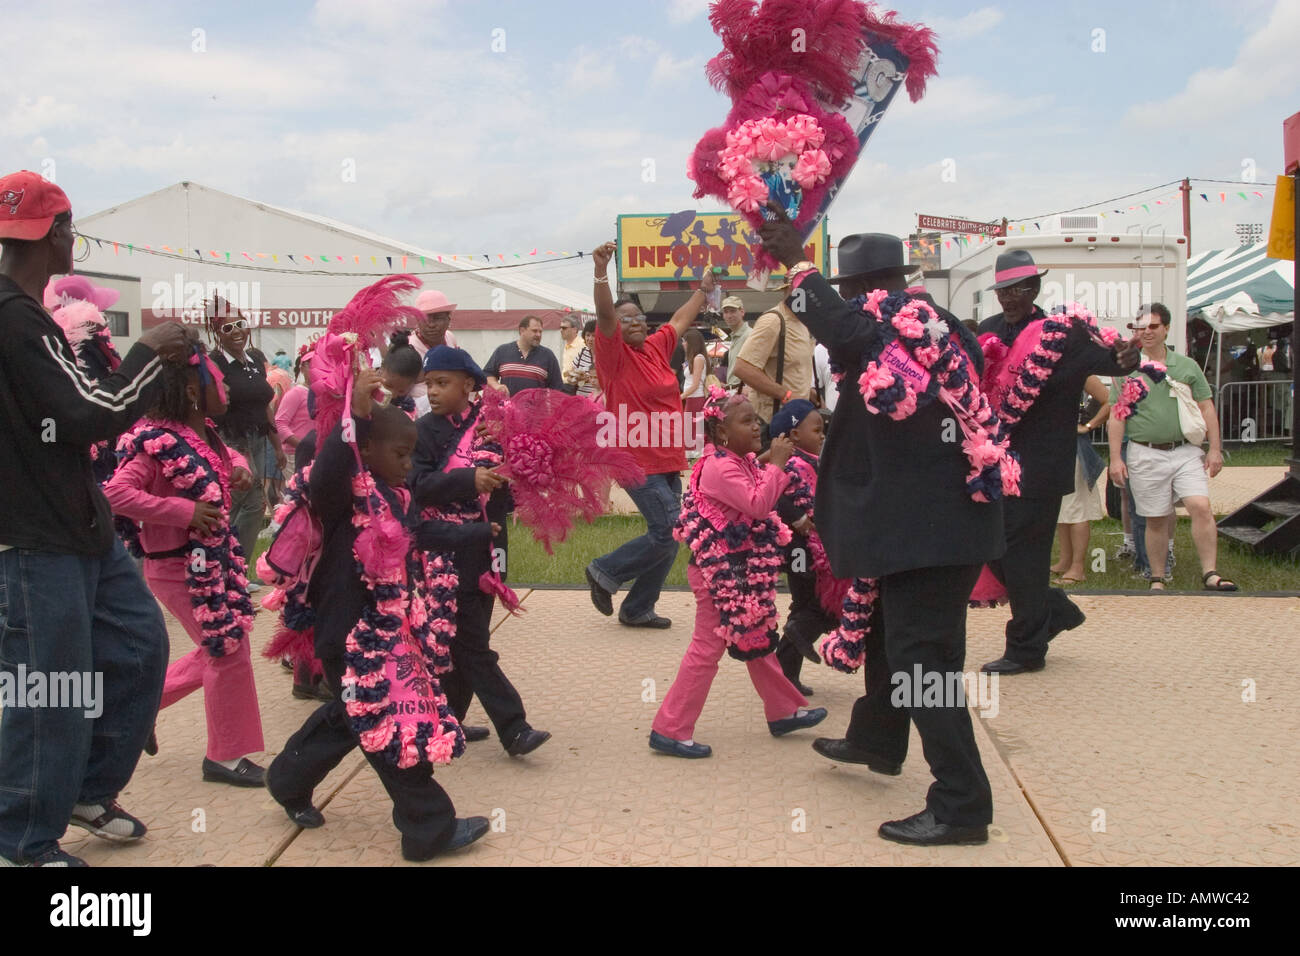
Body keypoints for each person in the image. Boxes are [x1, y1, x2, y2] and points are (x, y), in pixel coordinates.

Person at [759, 218, 1004, 846]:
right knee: (895, 640)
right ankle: (878, 740)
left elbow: (843, 329)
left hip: (930, 534)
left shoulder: (893, 329)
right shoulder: (943, 332)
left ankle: (961, 805)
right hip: (930, 529)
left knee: (928, 665)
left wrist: (797, 263)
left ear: (867, 288)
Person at [0, 169, 189, 866]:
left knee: (139, 650)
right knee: (47, 690)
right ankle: (23, 838)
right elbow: (90, 414)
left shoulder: (28, 320)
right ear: (59, 233)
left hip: (81, 531)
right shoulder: (14, 321)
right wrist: (149, 353)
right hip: (32, 542)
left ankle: (81, 789)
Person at [266, 369, 490, 860]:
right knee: (387, 726)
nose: (408, 464)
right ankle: (428, 829)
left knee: (349, 717)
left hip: (385, 630)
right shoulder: (340, 497)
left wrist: (479, 536)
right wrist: (358, 414)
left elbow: (417, 537)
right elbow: (327, 470)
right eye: (400, 454)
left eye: (412, 454)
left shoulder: (394, 494)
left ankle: (286, 777)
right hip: (346, 637)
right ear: (363, 451)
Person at [103, 338, 266, 787]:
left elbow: (223, 456)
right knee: (227, 651)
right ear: (193, 390)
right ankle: (225, 757)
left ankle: (137, 707)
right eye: (217, 378)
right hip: (178, 567)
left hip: (211, 562)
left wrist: (239, 467)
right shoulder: (154, 440)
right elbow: (115, 493)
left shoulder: (201, 433)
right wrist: (184, 512)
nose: (227, 386)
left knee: (221, 648)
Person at [976, 250, 1138, 675]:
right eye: (1004, 290)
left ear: (1035, 289)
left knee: (1024, 558)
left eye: (1019, 289)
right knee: (995, 552)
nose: (1010, 297)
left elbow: (1114, 361)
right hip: (995, 467)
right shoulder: (990, 331)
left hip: (1042, 468)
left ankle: (1026, 649)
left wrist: (1128, 357)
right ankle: (1056, 610)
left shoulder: (1061, 334)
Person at [649, 389, 827, 757]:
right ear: (722, 434)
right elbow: (759, 504)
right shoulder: (719, 466)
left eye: (756, 418)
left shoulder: (732, 458)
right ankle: (670, 728)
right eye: (746, 421)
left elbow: (752, 474)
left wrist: (765, 460)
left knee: (757, 638)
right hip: (719, 576)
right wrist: (777, 464)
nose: (757, 425)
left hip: (738, 569)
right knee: (707, 647)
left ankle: (784, 711)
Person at [409, 345, 551, 756]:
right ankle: (514, 727)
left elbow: (520, 471)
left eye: (442, 383)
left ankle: (446, 721)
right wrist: (470, 479)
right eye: (429, 384)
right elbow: (417, 485)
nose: (432, 391)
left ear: (468, 385)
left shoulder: (492, 424)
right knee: (472, 642)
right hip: (445, 552)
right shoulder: (423, 432)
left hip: (489, 544)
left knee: (466, 639)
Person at [584, 241, 714, 629]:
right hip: (636, 462)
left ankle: (638, 607)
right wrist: (600, 272)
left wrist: (703, 291)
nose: (636, 322)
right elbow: (605, 315)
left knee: (669, 537)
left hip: (668, 461)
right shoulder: (613, 356)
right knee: (669, 530)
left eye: (639, 316)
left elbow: (679, 320)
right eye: (627, 319)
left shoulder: (657, 348)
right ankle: (604, 570)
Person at [1107, 303, 1235, 591]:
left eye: (1154, 326)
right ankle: (1157, 576)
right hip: (1144, 451)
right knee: (1155, 517)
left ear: (1166, 329)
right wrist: (1115, 458)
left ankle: (1210, 573)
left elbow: (1206, 407)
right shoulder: (1125, 368)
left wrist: (1215, 449)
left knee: (1200, 506)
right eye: (1141, 327)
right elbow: (1117, 416)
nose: (1147, 332)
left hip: (1185, 450)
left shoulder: (1186, 366)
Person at [207, 297, 288, 590]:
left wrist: (276, 445)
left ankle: (233, 569)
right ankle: (226, 570)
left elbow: (265, 403)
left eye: (240, 324)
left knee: (252, 503)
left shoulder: (254, 358)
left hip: (258, 437)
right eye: (228, 327)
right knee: (245, 500)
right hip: (231, 438)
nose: (237, 331)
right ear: (218, 332)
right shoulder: (214, 362)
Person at [767, 399, 841, 696]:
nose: (822, 435)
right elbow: (773, 495)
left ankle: (786, 675)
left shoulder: (810, 460)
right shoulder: (793, 462)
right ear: (794, 435)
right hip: (799, 549)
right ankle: (798, 640)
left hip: (810, 547)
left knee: (804, 605)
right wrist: (797, 517)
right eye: (817, 429)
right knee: (815, 605)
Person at [732, 269, 815, 429]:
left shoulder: (803, 323)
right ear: (790, 290)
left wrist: (808, 392)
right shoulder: (773, 321)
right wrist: (786, 394)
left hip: (797, 420)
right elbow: (742, 368)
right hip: (772, 423)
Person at [1049, 376, 1110, 584]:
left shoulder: (1083, 371)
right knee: (1063, 507)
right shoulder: (1045, 366)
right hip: (1053, 446)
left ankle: (1078, 567)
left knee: (1077, 508)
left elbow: (1109, 400)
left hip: (1074, 446)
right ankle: (1065, 561)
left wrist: (1089, 425)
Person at [484, 315, 563, 395]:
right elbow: (487, 374)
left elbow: (557, 388)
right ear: (522, 330)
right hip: (507, 406)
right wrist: (496, 386)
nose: (538, 335)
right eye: (535, 331)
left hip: (536, 407)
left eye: (540, 331)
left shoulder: (548, 355)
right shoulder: (502, 351)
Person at [274, 346, 315, 457]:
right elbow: (280, 423)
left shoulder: (324, 394)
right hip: (295, 454)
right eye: (310, 366)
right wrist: (302, 446)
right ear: (302, 369)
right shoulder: (296, 393)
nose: (315, 369)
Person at [381, 330, 427, 418]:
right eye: (388, 386)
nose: (393, 395)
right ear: (381, 369)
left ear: (414, 383)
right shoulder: (365, 393)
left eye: (401, 391)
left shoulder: (410, 409)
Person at [720, 295, 751, 389]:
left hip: (742, 392)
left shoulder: (749, 335)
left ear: (742, 312)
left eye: (733, 311)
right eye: (726, 312)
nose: (729, 316)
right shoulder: (735, 337)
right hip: (733, 390)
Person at [569, 319, 600, 400]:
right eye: (588, 335)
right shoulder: (583, 352)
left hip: (599, 401)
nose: (590, 339)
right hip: (581, 400)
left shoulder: (607, 356)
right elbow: (570, 376)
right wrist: (575, 379)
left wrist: (590, 379)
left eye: (594, 335)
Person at [559, 313, 585, 395]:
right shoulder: (567, 345)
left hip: (575, 388)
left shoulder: (583, 345)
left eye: (564, 328)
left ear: (574, 329)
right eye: (560, 327)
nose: (561, 330)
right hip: (565, 386)